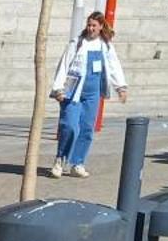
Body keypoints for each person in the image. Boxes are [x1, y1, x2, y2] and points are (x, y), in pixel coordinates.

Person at [49, 13, 130, 178]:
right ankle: (60, 160)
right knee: (70, 126)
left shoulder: (105, 46)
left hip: (92, 94)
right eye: (89, 25)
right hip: (72, 91)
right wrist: (58, 89)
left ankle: (77, 163)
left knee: (87, 129)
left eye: (94, 25)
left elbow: (114, 66)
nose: (91, 28)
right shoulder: (77, 43)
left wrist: (120, 87)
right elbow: (64, 65)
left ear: (101, 27)